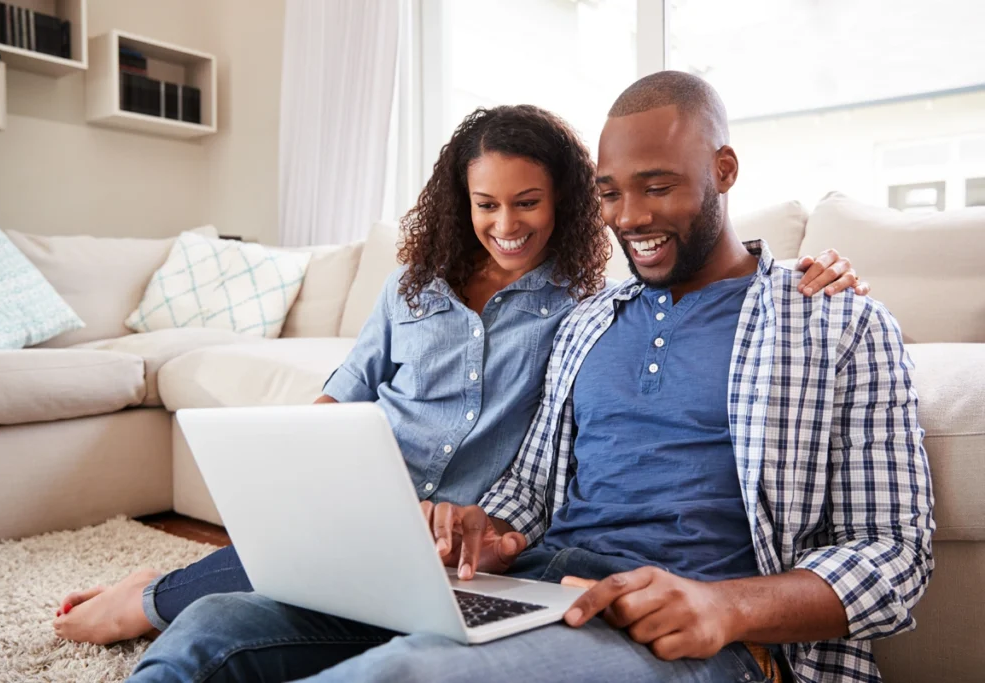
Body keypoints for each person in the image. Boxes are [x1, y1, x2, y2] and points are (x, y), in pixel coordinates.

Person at [124, 71, 932, 683]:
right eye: (613, 194)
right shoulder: (589, 321)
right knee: (216, 626)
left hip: (691, 629)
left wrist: (728, 605)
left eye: (659, 185)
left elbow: (897, 557)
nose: (632, 218)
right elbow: (531, 488)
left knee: (411, 670)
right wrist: (487, 528)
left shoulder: (837, 321)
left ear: (723, 169)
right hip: (542, 584)